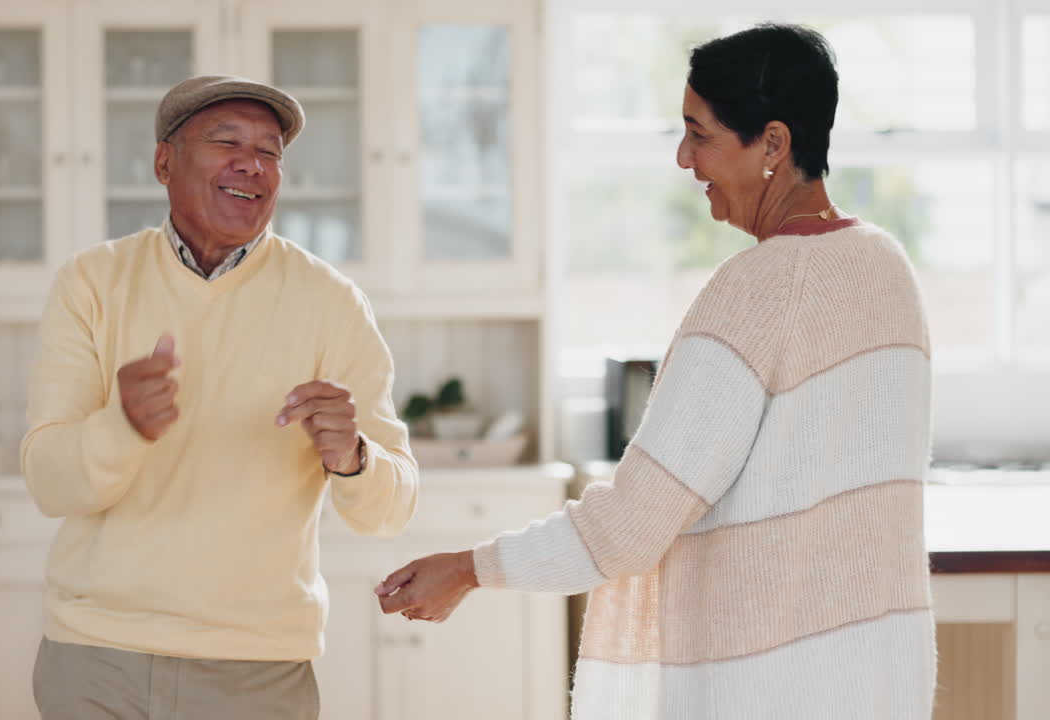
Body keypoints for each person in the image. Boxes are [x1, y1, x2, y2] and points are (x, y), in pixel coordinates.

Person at [375, 24, 935, 719]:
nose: (683, 157)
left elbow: (629, 528)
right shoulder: (888, 268)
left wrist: (468, 569)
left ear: (773, 143)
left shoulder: (757, 289)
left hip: (770, 691)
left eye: (699, 134)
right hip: (879, 682)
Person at [21, 74, 418, 720]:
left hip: (256, 670)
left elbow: (393, 509)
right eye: (226, 141)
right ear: (164, 163)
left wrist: (354, 458)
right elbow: (48, 482)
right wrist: (122, 427)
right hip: (97, 658)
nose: (251, 164)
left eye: (268, 151)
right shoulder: (91, 282)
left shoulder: (332, 303)